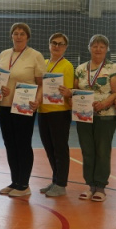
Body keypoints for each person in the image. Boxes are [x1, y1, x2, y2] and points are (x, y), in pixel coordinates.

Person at [63, 34, 116, 202]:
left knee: (102, 151)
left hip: (105, 116)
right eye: (95, 46)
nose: (98, 49)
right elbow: (75, 90)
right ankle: (90, 185)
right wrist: (71, 99)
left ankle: (100, 187)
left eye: (102, 46)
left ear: (107, 49)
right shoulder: (81, 69)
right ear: (89, 48)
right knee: (87, 151)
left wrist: (104, 104)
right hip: (84, 117)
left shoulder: (113, 68)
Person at [0, 22, 45, 198]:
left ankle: (24, 184)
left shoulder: (35, 56)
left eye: (22, 34)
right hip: (4, 106)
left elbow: (42, 84)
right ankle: (15, 181)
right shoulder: (4, 54)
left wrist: (37, 100)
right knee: (10, 144)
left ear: (27, 37)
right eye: (15, 33)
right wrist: (0, 88)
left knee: (23, 144)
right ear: (11, 36)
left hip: (24, 107)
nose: (18, 36)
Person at [36, 33, 75, 198]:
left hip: (59, 112)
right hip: (42, 111)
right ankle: (55, 180)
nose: (57, 46)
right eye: (54, 43)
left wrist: (68, 92)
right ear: (49, 45)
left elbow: (70, 90)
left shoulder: (67, 66)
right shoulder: (43, 64)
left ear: (65, 47)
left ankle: (61, 184)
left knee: (60, 149)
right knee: (49, 149)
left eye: (60, 44)